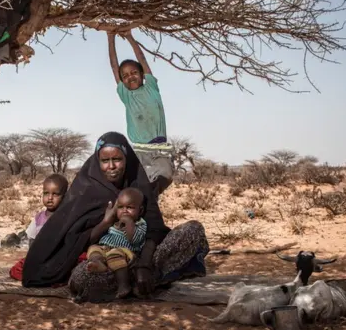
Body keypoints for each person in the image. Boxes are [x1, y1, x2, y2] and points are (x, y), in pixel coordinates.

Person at [21, 131, 209, 303]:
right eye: (105, 161)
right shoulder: (86, 188)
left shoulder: (138, 183)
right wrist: (106, 222)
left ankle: (140, 278)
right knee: (81, 279)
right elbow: (78, 240)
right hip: (106, 259)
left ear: (126, 158)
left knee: (193, 230)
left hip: (144, 256)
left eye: (117, 159)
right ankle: (141, 282)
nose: (111, 166)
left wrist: (144, 264)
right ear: (97, 160)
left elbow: (155, 229)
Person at [108, 30, 175, 199]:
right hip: (138, 150)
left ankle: (148, 201)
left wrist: (130, 37)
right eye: (125, 76)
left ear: (142, 74)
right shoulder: (126, 96)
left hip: (159, 149)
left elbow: (142, 59)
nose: (130, 77)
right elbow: (114, 66)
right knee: (135, 189)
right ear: (121, 80)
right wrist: (111, 37)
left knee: (165, 175)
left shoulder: (151, 88)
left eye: (134, 73)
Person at [87, 187, 147, 299]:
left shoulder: (140, 224)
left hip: (125, 251)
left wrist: (129, 223)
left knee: (115, 254)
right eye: (120, 207)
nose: (124, 210)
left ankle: (124, 285)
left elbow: (135, 240)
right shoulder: (114, 222)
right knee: (93, 248)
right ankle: (98, 263)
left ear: (141, 210)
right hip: (106, 248)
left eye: (130, 207)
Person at [25, 173, 68, 248]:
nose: (50, 198)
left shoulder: (67, 218)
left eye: (55, 194)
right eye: (46, 193)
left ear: (64, 197)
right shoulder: (38, 218)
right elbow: (31, 240)